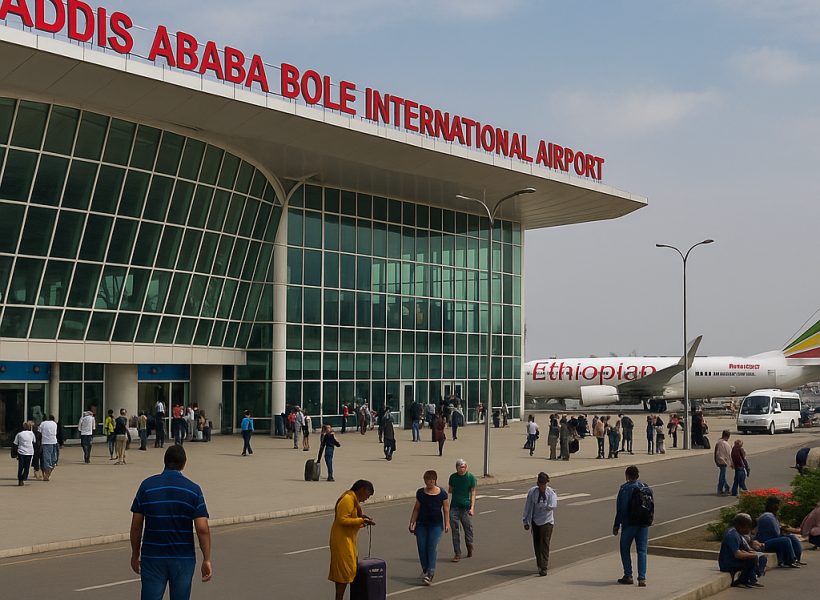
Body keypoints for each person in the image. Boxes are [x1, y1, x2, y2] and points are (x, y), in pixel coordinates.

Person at [130, 445, 211, 600]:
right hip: (183, 558)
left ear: (164, 461)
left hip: (153, 557)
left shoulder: (147, 487)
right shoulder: (193, 490)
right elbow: (202, 529)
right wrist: (206, 558)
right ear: (184, 463)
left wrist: (135, 553)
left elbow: (136, 526)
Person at [329, 480, 376, 600]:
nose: (366, 499)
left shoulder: (354, 501)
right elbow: (342, 519)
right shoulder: (348, 500)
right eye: (367, 495)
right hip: (341, 540)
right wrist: (361, 520)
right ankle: (339, 597)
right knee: (344, 570)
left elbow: (353, 518)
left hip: (348, 539)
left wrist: (363, 519)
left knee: (350, 567)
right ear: (361, 490)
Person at [613, 465, 653, 587]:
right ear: (637, 475)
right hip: (643, 523)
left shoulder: (625, 488)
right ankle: (642, 578)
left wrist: (616, 525)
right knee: (642, 550)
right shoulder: (645, 487)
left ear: (627, 476)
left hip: (629, 523)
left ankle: (628, 575)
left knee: (625, 548)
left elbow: (621, 509)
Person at [409, 470, 450, 585]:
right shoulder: (421, 493)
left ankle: (431, 572)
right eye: (429, 479)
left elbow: (446, 509)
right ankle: (425, 568)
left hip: (436, 524)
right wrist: (412, 522)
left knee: (431, 547)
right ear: (425, 481)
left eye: (433, 479)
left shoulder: (442, 493)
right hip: (422, 523)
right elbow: (416, 509)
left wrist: (447, 523)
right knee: (422, 548)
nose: (431, 481)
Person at [522, 471, 557, 576]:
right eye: (540, 484)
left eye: (544, 485)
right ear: (537, 483)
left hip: (547, 521)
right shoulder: (533, 492)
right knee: (537, 544)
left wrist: (543, 502)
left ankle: (544, 566)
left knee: (544, 543)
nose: (542, 487)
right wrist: (526, 521)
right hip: (535, 521)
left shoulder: (551, 493)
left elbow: (552, 505)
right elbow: (528, 507)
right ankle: (539, 564)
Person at [719, 512, 766, 588]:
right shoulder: (732, 535)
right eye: (747, 527)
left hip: (735, 560)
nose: (748, 529)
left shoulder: (739, 534)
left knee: (762, 558)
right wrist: (751, 555)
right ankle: (741, 581)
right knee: (752, 559)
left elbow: (746, 548)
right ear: (741, 526)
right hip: (729, 563)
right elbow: (737, 554)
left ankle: (752, 579)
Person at [755, 495, 804, 567]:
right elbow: (776, 533)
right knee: (785, 540)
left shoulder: (772, 516)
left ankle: (797, 559)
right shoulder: (768, 516)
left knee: (792, 537)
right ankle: (790, 561)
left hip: (772, 539)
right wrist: (784, 534)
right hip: (764, 542)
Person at [448, 459, 476, 562]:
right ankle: (457, 552)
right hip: (454, 507)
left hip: (466, 507)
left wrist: (472, 507)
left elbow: (473, 492)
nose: (462, 469)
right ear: (457, 468)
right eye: (460, 467)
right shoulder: (453, 477)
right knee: (455, 531)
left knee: (468, 529)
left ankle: (469, 545)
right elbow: (450, 490)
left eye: (464, 467)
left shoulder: (471, 477)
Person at [12, 422, 36, 486]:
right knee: (27, 466)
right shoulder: (31, 434)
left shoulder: (19, 434)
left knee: (21, 466)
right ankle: (24, 477)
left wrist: (15, 453)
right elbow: (34, 442)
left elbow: (15, 444)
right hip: (29, 452)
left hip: (21, 452)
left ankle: (20, 478)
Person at [39, 414, 58, 481]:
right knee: (53, 459)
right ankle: (48, 474)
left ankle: (46, 475)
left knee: (46, 459)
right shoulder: (54, 424)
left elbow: (39, 433)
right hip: (54, 441)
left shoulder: (43, 423)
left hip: (46, 442)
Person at [714, 429, 732, 496]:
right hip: (723, 461)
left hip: (721, 461)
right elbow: (726, 454)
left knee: (722, 475)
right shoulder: (723, 444)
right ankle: (726, 488)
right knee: (722, 476)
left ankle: (720, 488)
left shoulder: (719, 442)